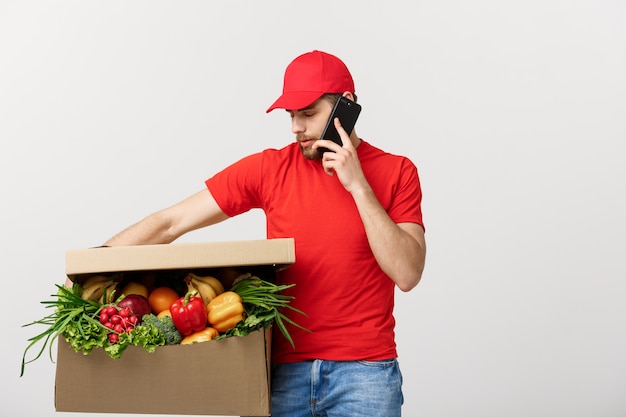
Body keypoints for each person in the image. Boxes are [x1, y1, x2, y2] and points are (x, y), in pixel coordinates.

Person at [100, 50, 426, 417]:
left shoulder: (398, 171)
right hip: (278, 375)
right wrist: (91, 267)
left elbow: (407, 273)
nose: (296, 128)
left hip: (365, 375)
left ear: (346, 107)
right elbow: (171, 222)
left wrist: (359, 187)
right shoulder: (270, 169)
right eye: (290, 116)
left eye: (308, 114)